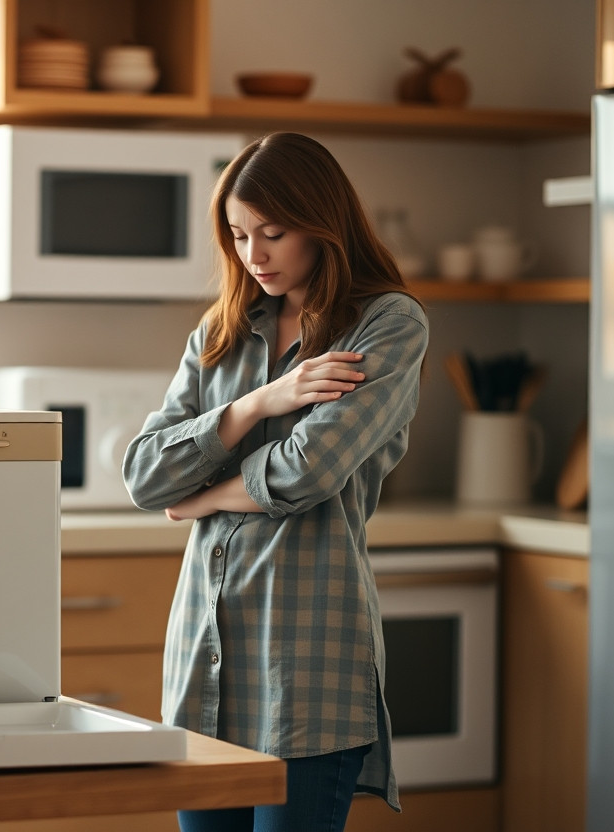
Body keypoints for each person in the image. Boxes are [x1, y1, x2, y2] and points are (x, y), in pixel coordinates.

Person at [122, 131, 427, 832]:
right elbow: (144, 474)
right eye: (237, 235)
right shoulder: (219, 332)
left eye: (273, 232)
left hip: (308, 671)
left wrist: (199, 497)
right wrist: (258, 403)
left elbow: (309, 470)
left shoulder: (385, 324)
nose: (253, 254)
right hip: (206, 666)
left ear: (323, 225)